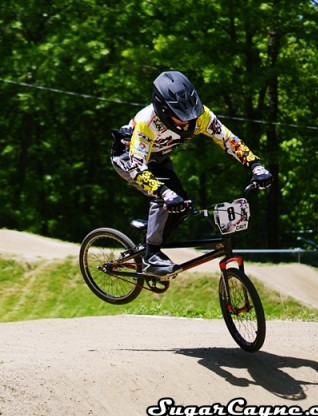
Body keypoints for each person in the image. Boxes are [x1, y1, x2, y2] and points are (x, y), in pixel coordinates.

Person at [110, 70, 272, 277]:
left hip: (158, 158)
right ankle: (151, 254)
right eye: (180, 117)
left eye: (191, 114)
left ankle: (151, 234)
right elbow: (138, 167)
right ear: (163, 111)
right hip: (128, 159)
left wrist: (256, 166)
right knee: (166, 198)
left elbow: (229, 141)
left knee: (182, 206)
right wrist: (166, 194)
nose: (187, 122)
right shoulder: (146, 122)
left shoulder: (202, 116)